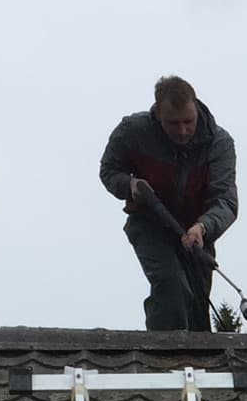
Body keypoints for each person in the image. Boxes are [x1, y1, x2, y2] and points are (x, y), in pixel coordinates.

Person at [99, 77, 239, 332]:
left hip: (198, 233)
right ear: (158, 114)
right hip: (150, 224)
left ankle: (201, 366)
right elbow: (109, 171)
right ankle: (164, 357)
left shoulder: (219, 144)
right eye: (173, 124)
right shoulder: (132, 132)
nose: (183, 130)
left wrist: (203, 227)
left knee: (197, 305)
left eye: (188, 121)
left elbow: (226, 201)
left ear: (196, 109)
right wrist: (129, 185)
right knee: (171, 287)